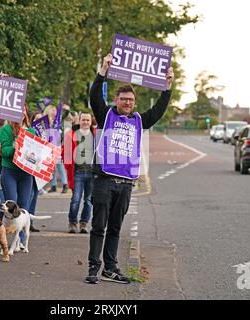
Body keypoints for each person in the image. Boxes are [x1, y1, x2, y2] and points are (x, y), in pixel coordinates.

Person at [85, 53, 174, 285]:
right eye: (123, 99)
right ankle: (93, 268)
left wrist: (167, 87)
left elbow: (158, 111)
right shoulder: (105, 116)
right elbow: (94, 96)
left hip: (125, 184)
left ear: (134, 103)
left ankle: (110, 268)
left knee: (115, 229)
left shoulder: (138, 121)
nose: (127, 103)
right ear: (116, 100)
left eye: (130, 100)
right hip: (104, 181)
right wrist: (103, 70)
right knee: (98, 227)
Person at [0, 112, 35, 238]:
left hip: (26, 173)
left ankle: (20, 239)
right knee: (10, 204)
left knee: (24, 205)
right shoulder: (5, 130)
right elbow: (3, 151)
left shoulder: (31, 131)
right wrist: (14, 148)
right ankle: (0, 235)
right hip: (9, 171)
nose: (21, 115)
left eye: (23, 113)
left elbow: (34, 153)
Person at [63, 112, 96, 234]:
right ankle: (72, 222)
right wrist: (68, 166)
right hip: (77, 173)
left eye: (88, 120)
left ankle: (84, 223)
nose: (85, 122)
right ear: (79, 120)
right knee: (75, 199)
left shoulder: (95, 135)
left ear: (91, 121)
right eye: (83, 120)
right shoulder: (71, 135)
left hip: (92, 174)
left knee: (88, 200)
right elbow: (65, 151)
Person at [43, 105, 68, 193]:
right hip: (47, 146)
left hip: (56, 145)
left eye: (55, 110)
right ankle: (53, 185)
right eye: (53, 110)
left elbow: (64, 116)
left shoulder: (57, 121)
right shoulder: (45, 122)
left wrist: (66, 110)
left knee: (59, 165)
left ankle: (65, 184)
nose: (55, 112)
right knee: (51, 167)